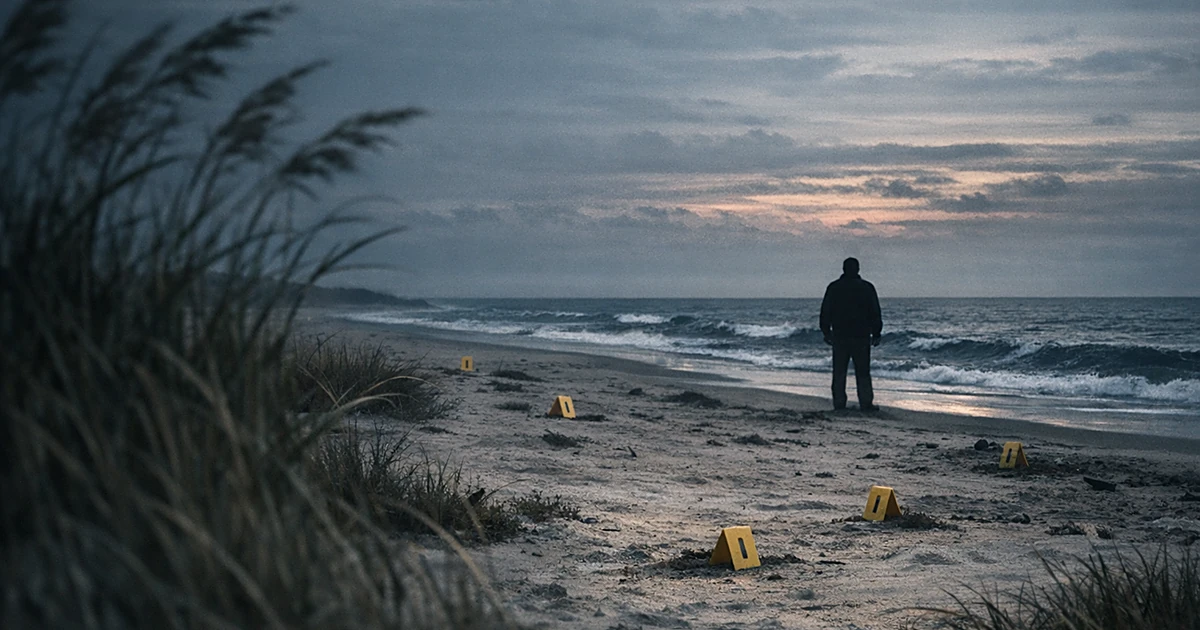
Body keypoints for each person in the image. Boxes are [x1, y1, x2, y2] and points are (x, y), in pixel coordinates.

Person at [819, 257, 882, 411]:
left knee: (839, 371)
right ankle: (866, 403)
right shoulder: (867, 288)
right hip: (861, 336)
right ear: (858, 269)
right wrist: (877, 332)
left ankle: (839, 403)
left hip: (840, 335)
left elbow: (825, 311)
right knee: (863, 372)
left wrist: (826, 331)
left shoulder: (834, 288)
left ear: (843, 269)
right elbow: (875, 311)